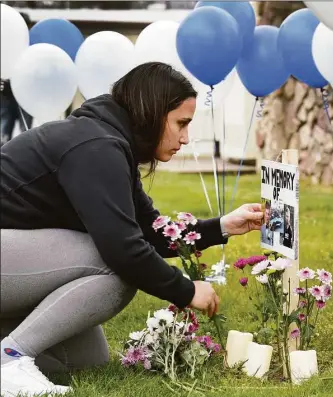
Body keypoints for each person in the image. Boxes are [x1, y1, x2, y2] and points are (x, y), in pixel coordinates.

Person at [0, 62, 264, 397]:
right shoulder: (95, 146)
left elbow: (153, 233)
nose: (185, 138)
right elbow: (125, 249)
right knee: (117, 265)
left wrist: (222, 227)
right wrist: (185, 290)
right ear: (153, 113)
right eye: (181, 124)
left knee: (86, 360)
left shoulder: (110, 144)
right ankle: (10, 359)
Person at [0, 12, 33, 146]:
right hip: (7, 93)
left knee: (26, 132)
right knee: (4, 129)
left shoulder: (32, 44)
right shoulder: (5, 43)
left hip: (26, 94)